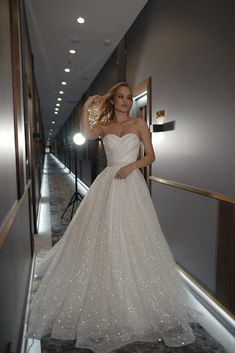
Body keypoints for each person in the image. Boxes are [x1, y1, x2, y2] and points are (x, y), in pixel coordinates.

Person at [26, 82, 195, 353]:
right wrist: (86, 108)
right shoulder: (103, 126)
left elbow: (151, 155)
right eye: (121, 97)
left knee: (135, 236)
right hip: (107, 183)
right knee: (102, 234)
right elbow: (86, 132)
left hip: (130, 182)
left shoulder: (139, 124)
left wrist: (133, 165)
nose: (126, 101)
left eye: (129, 97)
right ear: (114, 100)